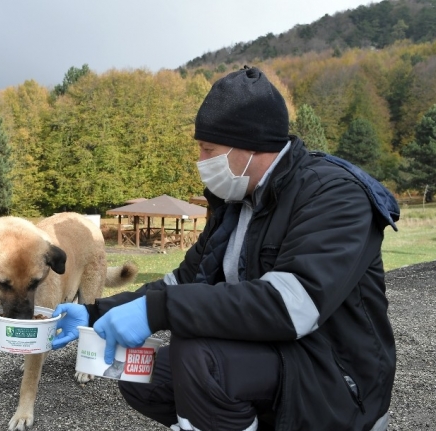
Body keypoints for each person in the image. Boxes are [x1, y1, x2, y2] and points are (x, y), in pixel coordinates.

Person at [52, 66, 399, 431]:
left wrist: (157, 311)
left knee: (197, 357)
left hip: (334, 380)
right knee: (144, 372)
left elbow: (292, 307)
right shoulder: (236, 201)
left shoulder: (335, 195)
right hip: (274, 360)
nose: (201, 162)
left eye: (208, 149)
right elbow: (182, 281)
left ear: (250, 145)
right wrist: (96, 312)